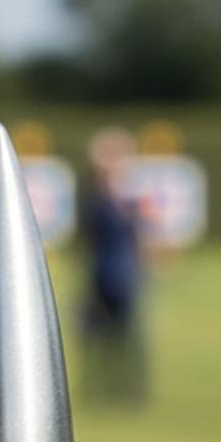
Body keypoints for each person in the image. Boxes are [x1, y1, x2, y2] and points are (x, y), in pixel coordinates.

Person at [78, 127, 149, 406]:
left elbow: (141, 234)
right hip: (100, 272)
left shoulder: (131, 200)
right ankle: (100, 387)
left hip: (124, 273)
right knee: (96, 333)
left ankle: (129, 388)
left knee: (127, 333)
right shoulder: (95, 199)